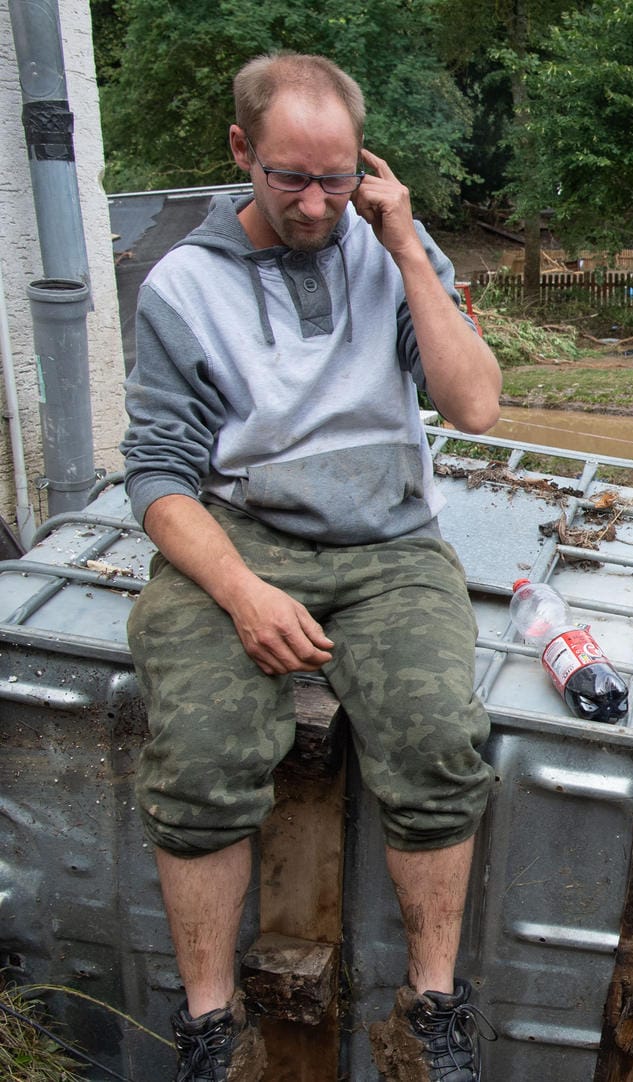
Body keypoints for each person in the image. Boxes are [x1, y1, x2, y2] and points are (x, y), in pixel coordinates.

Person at [120, 52, 502, 1082]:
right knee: (199, 747)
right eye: (292, 176)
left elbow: (473, 405)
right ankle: (211, 1027)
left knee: (437, 734)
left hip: (390, 543)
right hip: (241, 533)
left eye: (337, 178)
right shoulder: (183, 286)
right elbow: (157, 475)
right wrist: (241, 593)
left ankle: (428, 1014)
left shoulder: (393, 249)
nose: (318, 202)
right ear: (241, 150)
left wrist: (411, 248)